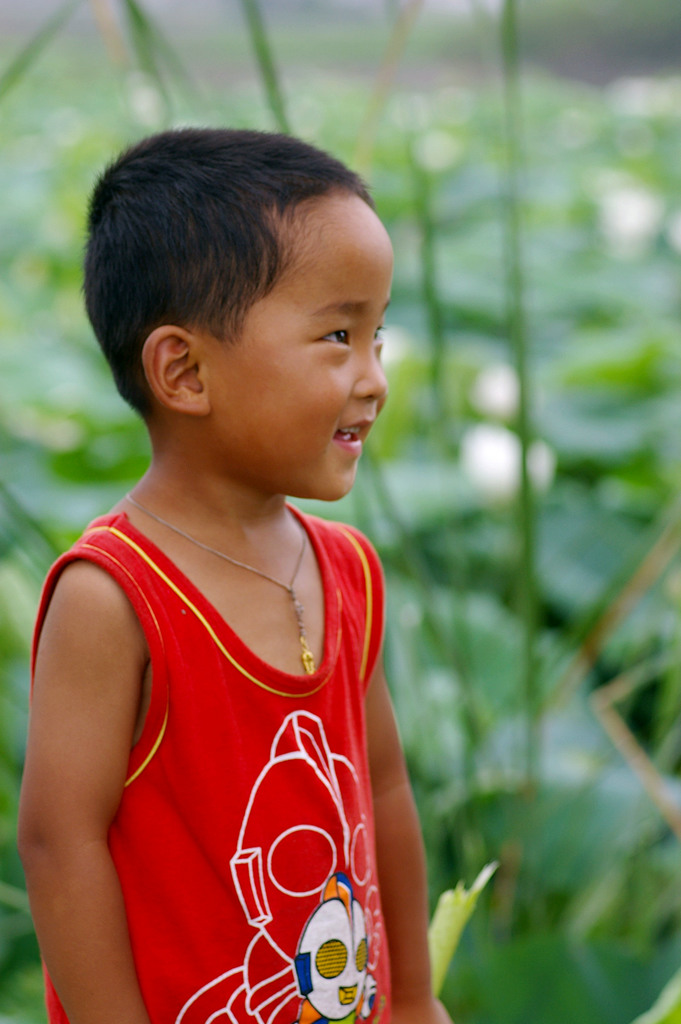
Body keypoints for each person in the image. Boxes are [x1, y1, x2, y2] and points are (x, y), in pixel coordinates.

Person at [18, 127, 452, 1024]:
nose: (373, 379)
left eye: (379, 336)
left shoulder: (349, 571)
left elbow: (385, 792)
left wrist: (412, 997)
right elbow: (60, 847)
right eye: (338, 335)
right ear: (183, 370)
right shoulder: (113, 597)